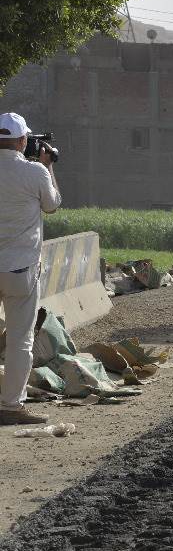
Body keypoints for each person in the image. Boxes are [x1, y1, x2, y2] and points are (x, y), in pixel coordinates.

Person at [0, 113, 61, 425]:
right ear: (23, 141)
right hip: (20, 270)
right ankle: (11, 407)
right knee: (20, 342)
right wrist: (48, 166)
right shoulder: (35, 171)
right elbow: (52, 205)